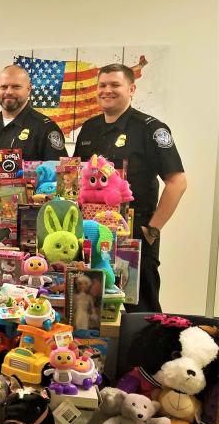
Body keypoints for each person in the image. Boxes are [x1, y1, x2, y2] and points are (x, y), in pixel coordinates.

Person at [74, 63, 186, 313]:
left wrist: (152, 229)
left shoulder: (150, 129)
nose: (107, 90)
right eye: (102, 85)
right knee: (88, 306)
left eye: (115, 85)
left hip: (134, 235)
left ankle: (148, 353)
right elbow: (77, 178)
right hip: (92, 234)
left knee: (141, 308)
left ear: (131, 89)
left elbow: (177, 182)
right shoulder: (89, 128)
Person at [0, 64, 68, 169]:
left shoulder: (46, 128)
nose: (9, 92)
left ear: (29, 89)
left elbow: (60, 176)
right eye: (3, 87)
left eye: (16, 87)